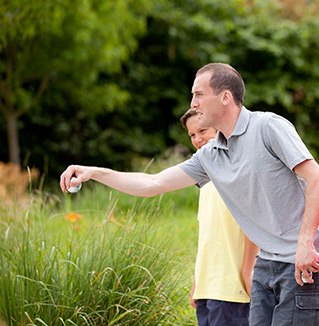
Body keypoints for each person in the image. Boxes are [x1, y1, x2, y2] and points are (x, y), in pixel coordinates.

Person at [60, 63, 319, 326]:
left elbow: (315, 177)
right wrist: (94, 172)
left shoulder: (267, 126)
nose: (193, 103)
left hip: (304, 260)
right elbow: (152, 183)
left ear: (225, 97)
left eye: (199, 94)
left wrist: (305, 244)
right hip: (267, 261)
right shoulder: (210, 155)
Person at [180, 108, 258, 326]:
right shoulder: (205, 182)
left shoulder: (238, 173)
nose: (197, 139)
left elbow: (253, 225)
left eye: (202, 131)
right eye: (192, 135)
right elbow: (209, 236)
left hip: (233, 289)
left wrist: (248, 271)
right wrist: (198, 281)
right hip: (208, 288)